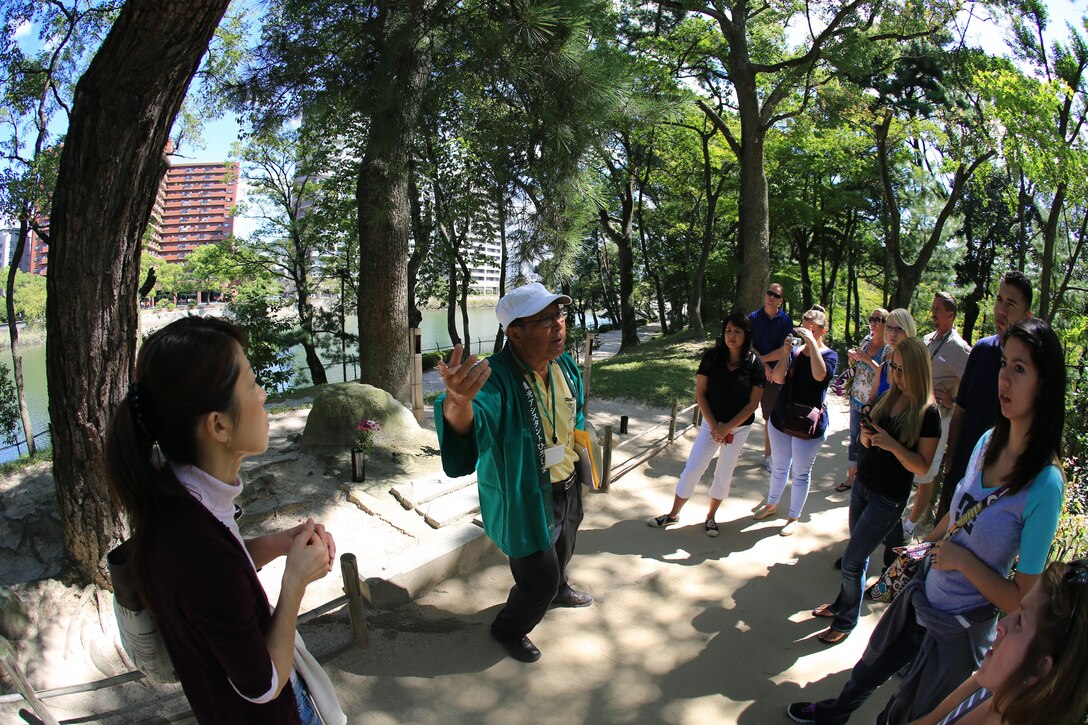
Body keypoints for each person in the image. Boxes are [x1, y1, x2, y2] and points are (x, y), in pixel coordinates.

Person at [787, 317, 1066, 725]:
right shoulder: (988, 441)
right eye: (1004, 364)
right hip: (923, 590)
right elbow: (957, 511)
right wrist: (921, 550)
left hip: (959, 629)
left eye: (1020, 369)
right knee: (869, 667)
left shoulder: (1045, 484)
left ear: (1045, 384)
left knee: (905, 712)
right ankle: (832, 714)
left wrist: (963, 562)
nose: (1004, 378)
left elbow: (1021, 598)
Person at [105, 317, 343, 725]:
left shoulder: (181, 499)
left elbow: (215, 586)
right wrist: (294, 583)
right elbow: (263, 684)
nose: (264, 394)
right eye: (251, 384)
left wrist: (274, 545)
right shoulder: (197, 547)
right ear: (218, 425)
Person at [435, 282, 591, 664]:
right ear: (515, 333)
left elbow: (576, 418)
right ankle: (509, 627)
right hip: (525, 497)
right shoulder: (496, 377)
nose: (558, 326)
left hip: (566, 484)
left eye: (560, 316)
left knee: (564, 547)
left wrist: (586, 467)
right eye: (545, 320)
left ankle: (560, 587)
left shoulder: (564, 365)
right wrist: (457, 402)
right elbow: (473, 417)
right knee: (538, 579)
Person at [811, 337, 941, 645]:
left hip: (887, 497)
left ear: (919, 370)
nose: (896, 375)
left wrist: (892, 444)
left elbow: (922, 467)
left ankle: (846, 620)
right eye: (893, 367)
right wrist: (869, 436)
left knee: (853, 560)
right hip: (864, 486)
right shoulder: (890, 396)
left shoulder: (928, 413)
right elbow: (868, 441)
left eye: (902, 369)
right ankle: (843, 605)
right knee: (858, 557)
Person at [911, 559, 1088, 725]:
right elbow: (927, 722)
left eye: (1020, 622)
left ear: (1038, 669)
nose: (1001, 625)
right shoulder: (990, 686)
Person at [648, 312, 765, 536]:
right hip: (711, 425)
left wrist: (727, 427)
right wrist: (714, 426)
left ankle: (711, 517)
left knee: (724, 471)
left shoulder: (755, 364)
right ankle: (673, 514)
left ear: (746, 334)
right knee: (693, 468)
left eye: (737, 331)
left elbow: (753, 404)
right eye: (728, 330)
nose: (731, 335)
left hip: (738, 428)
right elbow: (700, 394)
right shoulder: (712, 357)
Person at [937, 271, 1033, 521]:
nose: (1001, 310)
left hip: (996, 485)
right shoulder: (980, 350)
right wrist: (950, 461)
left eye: (1011, 304)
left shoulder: (1032, 367)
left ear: (1027, 315)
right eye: (999, 300)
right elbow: (962, 410)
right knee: (937, 544)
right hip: (961, 472)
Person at [752, 305, 837, 537]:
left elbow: (820, 375)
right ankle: (771, 505)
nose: (807, 331)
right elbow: (778, 378)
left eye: (813, 328)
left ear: (823, 330)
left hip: (808, 425)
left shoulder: (830, 355)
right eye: (804, 326)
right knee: (780, 466)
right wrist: (787, 352)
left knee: (800, 473)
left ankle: (793, 517)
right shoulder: (796, 352)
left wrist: (812, 345)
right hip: (782, 417)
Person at [908, 293, 971, 538]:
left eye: (937, 309)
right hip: (917, 412)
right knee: (909, 463)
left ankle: (909, 528)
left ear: (950, 315)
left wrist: (953, 401)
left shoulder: (959, 348)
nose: (932, 313)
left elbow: (972, 385)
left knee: (926, 472)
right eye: (932, 308)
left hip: (939, 419)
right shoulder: (928, 339)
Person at [836, 308, 888, 493]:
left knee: (867, 440)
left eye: (878, 319)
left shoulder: (887, 348)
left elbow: (884, 373)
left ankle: (863, 478)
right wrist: (853, 359)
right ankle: (851, 477)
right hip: (856, 397)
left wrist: (867, 359)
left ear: (886, 323)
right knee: (853, 438)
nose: (873, 322)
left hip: (872, 403)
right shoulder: (866, 341)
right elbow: (855, 366)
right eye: (872, 318)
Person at [750, 282, 795, 473]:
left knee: (770, 417)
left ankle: (769, 456)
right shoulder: (752, 317)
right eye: (769, 293)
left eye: (776, 295)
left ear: (780, 301)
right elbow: (747, 345)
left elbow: (783, 351)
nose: (771, 297)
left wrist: (765, 363)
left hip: (773, 377)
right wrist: (763, 365)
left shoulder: (785, 321)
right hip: (754, 371)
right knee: (741, 411)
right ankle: (729, 449)